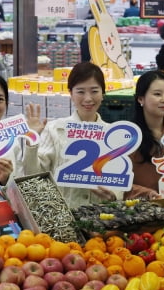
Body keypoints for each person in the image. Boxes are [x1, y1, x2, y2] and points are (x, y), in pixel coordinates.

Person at [23, 62, 120, 208]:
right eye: (80, 92)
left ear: (103, 94)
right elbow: (33, 174)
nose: (88, 98)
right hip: (64, 218)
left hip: (101, 218)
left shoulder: (112, 134)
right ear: (71, 94)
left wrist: (114, 194)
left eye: (94, 91)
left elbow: (119, 177)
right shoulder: (55, 129)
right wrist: (32, 139)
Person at [124, 71, 164, 200]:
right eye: (157, 94)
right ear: (140, 98)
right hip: (140, 210)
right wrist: (146, 193)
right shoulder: (128, 138)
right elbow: (119, 183)